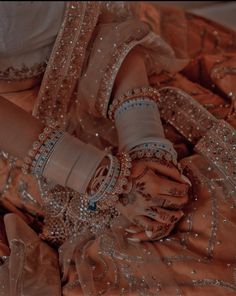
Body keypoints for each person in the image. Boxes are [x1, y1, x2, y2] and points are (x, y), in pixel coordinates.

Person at [0, 2, 235, 295]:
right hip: (30, 144)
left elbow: (110, 18)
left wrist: (146, 143)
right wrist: (106, 180)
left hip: (117, 74)